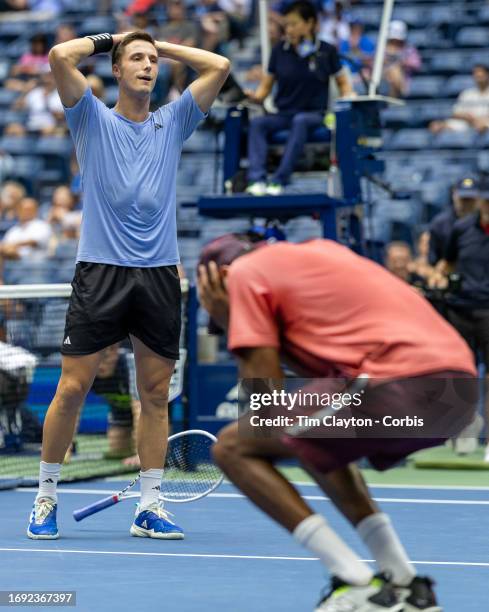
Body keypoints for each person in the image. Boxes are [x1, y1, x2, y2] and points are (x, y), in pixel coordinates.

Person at [197, 233, 476, 611]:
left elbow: (265, 401)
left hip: (400, 384)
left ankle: (355, 582)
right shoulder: (320, 253)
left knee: (232, 447)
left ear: (218, 276)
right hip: (457, 392)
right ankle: (405, 583)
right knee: (315, 440)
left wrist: (236, 322)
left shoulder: (243, 274)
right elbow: (318, 380)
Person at [26, 30, 230, 540]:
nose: (147, 65)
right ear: (116, 70)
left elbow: (220, 65)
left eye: (152, 60)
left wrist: (162, 43)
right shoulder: (90, 117)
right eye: (136, 59)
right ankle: (45, 495)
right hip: (100, 271)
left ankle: (150, 505)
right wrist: (115, 38)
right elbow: (59, 55)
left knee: (155, 393)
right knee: (73, 388)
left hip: (159, 274)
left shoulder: (173, 120)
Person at [245, 0, 353, 196]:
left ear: (310, 23)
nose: (289, 29)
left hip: (314, 115)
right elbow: (264, 90)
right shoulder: (279, 51)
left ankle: (280, 179)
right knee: (258, 124)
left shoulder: (326, 51)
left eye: (294, 24)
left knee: (300, 120)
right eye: (286, 25)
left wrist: (349, 98)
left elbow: (343, 84)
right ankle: (256, 179)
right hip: (284, 114)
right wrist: (251, 96)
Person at [432, 176, 489, 461]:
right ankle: (465, 428)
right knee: (461, 376)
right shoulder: (460, 228)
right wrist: (438, 275)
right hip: (460, 310)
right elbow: (447, 262)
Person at [428, 176, 479, 267]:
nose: (466, 203)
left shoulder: (484, 223)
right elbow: (433, 259)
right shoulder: (440, 224)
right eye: (463, 199)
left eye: (470, 199)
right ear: (454, 196)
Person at [430, 65, 489, 134]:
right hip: (467, 123)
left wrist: (481, 121)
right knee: (436, 125)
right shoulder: (467, 93)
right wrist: (469, 117)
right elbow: (456, 113)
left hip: (486, 123)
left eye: (481, 74)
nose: (478, 76)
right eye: (476, 74)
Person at [381, 20, 421, 99]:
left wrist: (402, 62)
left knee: (394, 70)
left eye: (398, 41)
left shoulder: (409, 50)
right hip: (384, 79)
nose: (395, 43)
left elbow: (416, 64)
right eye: (393, 40)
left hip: (403, 82)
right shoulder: (382, 49)